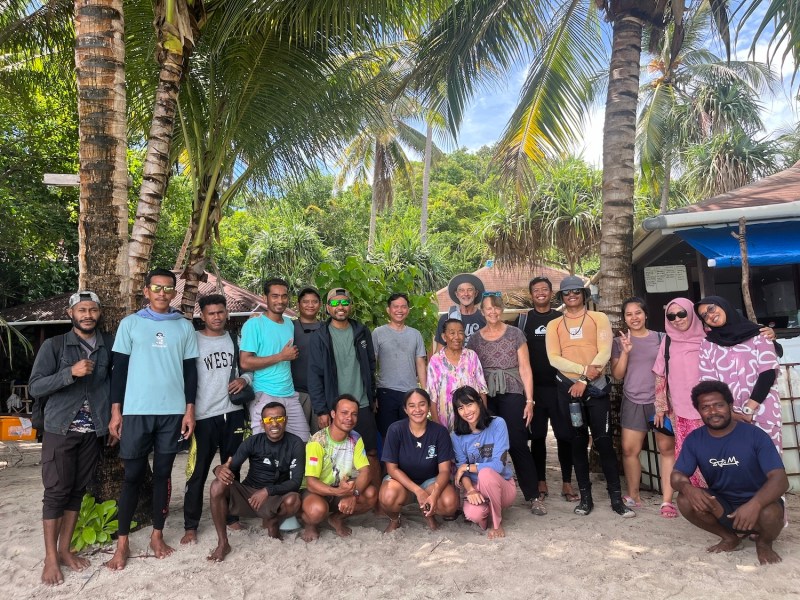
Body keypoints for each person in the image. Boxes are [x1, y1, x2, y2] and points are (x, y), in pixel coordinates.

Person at [106, 269, 200, 570]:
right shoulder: (130, 324)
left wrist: (189, 410)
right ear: (146, 291)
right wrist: (116, 411)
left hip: (172, 412)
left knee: (162, 474)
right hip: (136, 411)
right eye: (156, 288)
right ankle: (122, 543)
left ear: (174, 292)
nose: (162, 293)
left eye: (168, 288)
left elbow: (190, 372)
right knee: (132, 476)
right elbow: (119, 370)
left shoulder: (183, 326)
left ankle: (157, 535)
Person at [29, 291, 114, 585]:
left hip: (94, 431)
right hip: (60, 430)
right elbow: (35, 387)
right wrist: (70, 372)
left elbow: (114, 386)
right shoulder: (54, 346)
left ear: (99, 313)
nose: (87, 315)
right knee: (56, 492)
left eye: (92, 310)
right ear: (71, 314)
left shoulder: (108, 345)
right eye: (82, 310)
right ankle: (50, 558)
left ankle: (65, 550)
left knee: (77, 491)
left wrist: (113, 422)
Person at [671, 381, 789, 565]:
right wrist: (687, 488)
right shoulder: (694, 440)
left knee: (771, 513)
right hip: (722, 506)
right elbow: (677, 475)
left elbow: (780, 480)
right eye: (705, 407)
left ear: (730, 405)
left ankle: (764, 543)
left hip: (759, 507)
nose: (713, 412)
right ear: (699, 411)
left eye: (719, 405)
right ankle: (729, 538)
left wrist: (755, 504)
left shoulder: (755, 435)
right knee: (684, 499)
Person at [545, 275, 633, 517]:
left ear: (584, 294)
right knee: (577, 442)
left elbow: (604, 350)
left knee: (604, 442)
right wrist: (583, 371)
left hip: (595, 387)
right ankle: (586, 498)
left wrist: (584, 379)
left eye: (576, 291)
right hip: (568, 389)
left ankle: (617, 499)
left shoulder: (598, 318)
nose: (572, 295)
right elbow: (554, 358)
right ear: (561, 297)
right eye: (566, 292)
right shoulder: (554, 325)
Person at [180, 294, 250, 545]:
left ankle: (231, 517)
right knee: (197, 472)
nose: (217, 317)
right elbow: (184, 375)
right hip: (203, 416)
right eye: (211, 313)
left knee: (233, 468)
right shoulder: (193, 340)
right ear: (203, 316)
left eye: (221, 312)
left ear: (226, 313)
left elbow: (247, 367)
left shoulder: (234, 339)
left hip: (233, 412)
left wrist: (245, 379)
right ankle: (191, 525)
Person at [467, 292, 544, 515]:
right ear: (482, 312)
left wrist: (529, 400)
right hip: (485, 395)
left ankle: (533, 496)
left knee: (518, 441)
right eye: (488, 308)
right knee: (487, 444)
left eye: (496, 307)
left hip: (512, 390)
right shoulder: (475, 339)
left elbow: (525, 368)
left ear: (502, 310)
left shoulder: (515, 334)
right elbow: (471, 369)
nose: (493, 312)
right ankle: (489, 492)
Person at [206, 402, 305, 561]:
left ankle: (273, 522)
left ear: (286, 420)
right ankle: (223, 543)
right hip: (249, 496)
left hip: (275, 496)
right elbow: (231, 466)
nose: (274, 424)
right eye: (269, 420)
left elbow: (296, 482)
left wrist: (267, 491)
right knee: (217, 485)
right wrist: (218, 469)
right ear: (262, 423)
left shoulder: (295, 443)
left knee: (294, 499)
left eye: (279, 418)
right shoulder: (253, 441)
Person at [610, 297, 676, 517]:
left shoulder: (661, 338)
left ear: (646, 314)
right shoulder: (619, 341)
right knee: (630, 451)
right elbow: (618, 375)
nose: (634, 318)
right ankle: (633, 495)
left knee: (666, 450)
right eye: (629, 314)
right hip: (633, 400)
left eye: (638, 312)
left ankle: (667, 501)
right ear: (624, 318)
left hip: (660, 402)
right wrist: (626, 351)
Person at [514, 276, 577, 502]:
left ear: (551, 293)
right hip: (535, 390)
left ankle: (567, 482)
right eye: (536, 290)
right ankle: (540, 481)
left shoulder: (561, 319)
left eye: (544, 289)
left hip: (560, 387)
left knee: (564, 436)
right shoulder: (522, 321)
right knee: (538, 437)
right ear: (531, 294)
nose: (540, 293)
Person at [307, 288, 379, 487]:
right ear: (328, 307)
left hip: (362, 403)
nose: (340, 307)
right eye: (335, 303)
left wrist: (372, 396)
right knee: (333, 453)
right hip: (335, 406)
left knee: (371, 452)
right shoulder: (320, 336)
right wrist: (321, 410)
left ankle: (374, 498)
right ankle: (337, 496)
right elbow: (314, 375)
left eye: (345, 302)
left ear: (351, 306)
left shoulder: (362, 331)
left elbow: (370, 365)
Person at [695, 296, 782, 455]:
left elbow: (768, 373)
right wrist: (731, 413)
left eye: (711, 308)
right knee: (738, 463)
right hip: (729, 417)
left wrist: (749, 408)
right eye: (704, 315)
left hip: (763, 411)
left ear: (724, 306)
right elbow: (710, 385)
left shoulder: (759, 333)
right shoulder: (708, 344)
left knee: (769, 462)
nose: (710, 315)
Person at [299, 394, 378, 541]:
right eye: (344, 413)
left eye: (354, 414)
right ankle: (309, 523)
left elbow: (365, 471)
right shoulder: (318, 441)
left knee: (371, 494)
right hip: (316, 491)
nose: (349, 418)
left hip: (341, 489)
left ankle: (336, 518)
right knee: (316, 511)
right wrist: (338, 492)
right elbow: (311, 483)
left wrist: (353, 495)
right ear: (333, 414)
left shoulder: (356, 438)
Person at [379, 389, 459, 532]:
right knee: (388, 496)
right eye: (412, 405)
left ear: (428, 406)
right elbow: (392, 469)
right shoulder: (395, 430)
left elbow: (444, 470)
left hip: (430, 481)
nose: (417, 410)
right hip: (401, 483)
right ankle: (395, 519)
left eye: (422, 404)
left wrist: (434, 494)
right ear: (405, 409)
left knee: (449, 503)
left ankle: (428, 513)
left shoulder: (440, 432)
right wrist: (418, 491)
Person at [240, 278, 309, 441]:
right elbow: (245, 362)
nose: (280, 300)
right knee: (265, 448)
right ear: (265, 298)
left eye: (284, 296)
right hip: (265, 395)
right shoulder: (254, 325)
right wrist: (281, 356)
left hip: (289, 394)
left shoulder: (289, 324)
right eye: (275, 296)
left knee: (303, 443)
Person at [450, 386, 516, 539]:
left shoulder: (498, 424)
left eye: (469, 404)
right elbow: (461, 468)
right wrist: (470, 490)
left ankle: (496, 523)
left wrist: (467, 467)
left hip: (502, 486)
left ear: (479, 402)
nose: (466, 411)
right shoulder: (456, 436)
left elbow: (498, 466)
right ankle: (487, 510)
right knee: (473, 514)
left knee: (486, 474)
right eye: (461, 408)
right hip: (476, 488)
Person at [372, 293, 428, 438]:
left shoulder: (415, 334)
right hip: (385, 392)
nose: (399, 310)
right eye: (395, 307)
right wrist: (373, 394)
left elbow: (420, 364)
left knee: (410, 435)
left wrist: (425, 392)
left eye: (403, 307)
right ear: (388, 310)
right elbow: (372, 363)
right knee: (388, 435)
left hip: (410, 393)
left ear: (408, 310)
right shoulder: (378, 333)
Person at [427, 318, 487, 431]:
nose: (457, 337)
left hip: (472, 420)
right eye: (452, 333)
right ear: (444, 337)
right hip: (445, 422)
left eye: (460, 332)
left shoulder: (471, 356)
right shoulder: (436, 360)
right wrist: (436, 424)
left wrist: (483, 417)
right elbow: (432, 395)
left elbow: (482, 389)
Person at [291, 286, 323, 433]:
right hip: (296, 393)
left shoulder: (327, 328)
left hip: (321, 394)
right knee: (298, 439)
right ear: (298, 304)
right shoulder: (289, 327)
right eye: (305, 301)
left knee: (320, 438)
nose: (310, 305)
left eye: (314, 301)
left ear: (320, 305)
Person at [433, 273, 486, 351]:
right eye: (461, 290)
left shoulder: (485, 318)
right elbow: (439, 351)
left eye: (470, 290)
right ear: (456, 294)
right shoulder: (446, 319)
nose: (466, 294)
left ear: (476, 293)